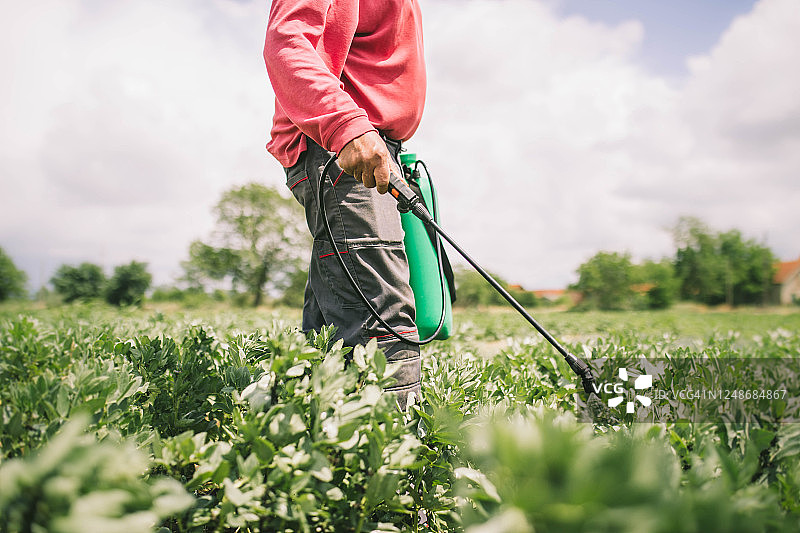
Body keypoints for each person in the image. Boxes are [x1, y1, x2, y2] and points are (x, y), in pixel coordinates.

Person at [263, 0, 426, 408]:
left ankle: (306, 447)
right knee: (383, 327)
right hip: (343, 150)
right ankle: (395, 464)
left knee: (327, 334)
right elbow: (287, 42)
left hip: (367, 149)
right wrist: (346, 127)